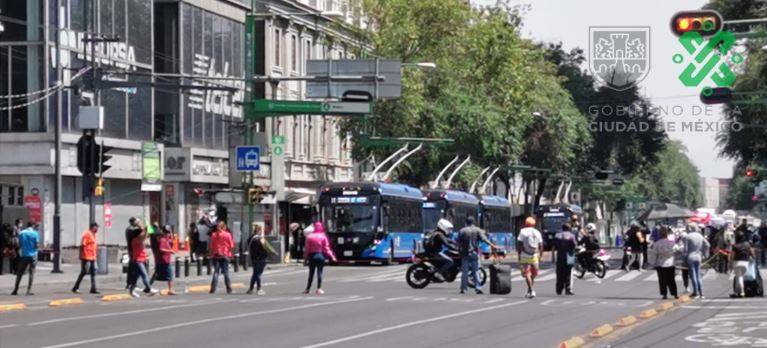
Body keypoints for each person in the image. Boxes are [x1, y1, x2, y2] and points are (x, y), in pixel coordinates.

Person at [457, 217, 495, 295]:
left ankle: (463, 289)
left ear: (466, 222)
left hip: (465, 254)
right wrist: (492, 245)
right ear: (473, 222)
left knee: (464, 272)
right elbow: (484, 239)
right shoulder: (477, 230)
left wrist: (459, 250)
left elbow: (458, 242)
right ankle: (478, 288)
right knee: (476, 271)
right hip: (474, 253)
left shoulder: (462, 231)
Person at [303, 221, 336, 294]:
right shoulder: (323, 236)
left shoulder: (309, 237)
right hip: (320, 255)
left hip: (312, 256)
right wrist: (332, 256)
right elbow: (326, 248)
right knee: (319, 272)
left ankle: (307, 289)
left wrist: (305, 258)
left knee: (311, 273)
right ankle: (319, 288)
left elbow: (307, 249)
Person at [648, 227, 678, 300]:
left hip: (660, 264)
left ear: (660, 235)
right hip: (671, 263)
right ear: (667, 234)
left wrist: (652, 263)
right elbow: (677, 250)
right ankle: (675, 294)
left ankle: (664, 294)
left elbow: (653, 254)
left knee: (662, 280)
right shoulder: (672, 243)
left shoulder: (657, 244)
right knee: (671, 279)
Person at [127, 228, 158, 297]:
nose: (142, 234)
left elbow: (144, 238)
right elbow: (143, 237)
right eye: (141, 233)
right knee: (144, 274)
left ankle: (131, 291)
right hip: (138, 261)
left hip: (142, 260)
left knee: (135, 278)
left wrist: (145, 231)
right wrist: (146, 231)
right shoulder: (135, 240)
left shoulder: (139, 240)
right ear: (138, 234)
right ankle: (149, 288)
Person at [517, 216, 543, 299]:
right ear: (534, 224)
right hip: (534, 255)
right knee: (533, 274)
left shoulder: (523, 231)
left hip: (525, 254)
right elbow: (541, 245)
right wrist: (541, 256)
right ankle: (530, 290)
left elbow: (519, 244)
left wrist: (519, 254)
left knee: (527, 273)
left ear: (526, 223)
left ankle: (531, 290)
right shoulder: (537, 232)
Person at [247, 224, 277, 295]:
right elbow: (267, 248)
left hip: (253, 258)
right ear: (259, 230)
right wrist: (273, 253)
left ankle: (251, 289)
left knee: (255, 273)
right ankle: (259, 288)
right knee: (258, 274)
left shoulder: (251, 238)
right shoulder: (261, 239)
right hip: (261, 258)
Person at [683, 222, 710, 298]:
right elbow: (708, 244)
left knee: (693, 275)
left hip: (690, 256)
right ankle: (701, 292)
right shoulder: (700, 236)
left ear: (690, 228)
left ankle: (695, 292)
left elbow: (685, 250)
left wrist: (684, 259)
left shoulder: (687, 237)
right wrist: (705, 254)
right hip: (699, 256)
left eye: (687, 228)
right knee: (698, 274)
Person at [72, 223, 100, 294]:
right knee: (84, 271)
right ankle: (76, 287)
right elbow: (82, 245)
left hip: (93, 257)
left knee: (94, 272)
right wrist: (81, 256)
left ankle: (93, 288)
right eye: (96, 227)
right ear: (93, 227)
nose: (97, 229)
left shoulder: (93, 235)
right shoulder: (87, 234)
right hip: (86, 257)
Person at [11, 222, 38, 295]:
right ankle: (28, 290)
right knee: (31, 273)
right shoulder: (35, 233)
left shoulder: (22, 233)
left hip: (24, 255)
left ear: (27, 225)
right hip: (33, 255)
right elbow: (36, 245)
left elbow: (19, 244)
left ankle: (15, 289)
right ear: (33, 226)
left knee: (19, 273)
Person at [209, 220, 235, 294]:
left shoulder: (213, 235)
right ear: (224, 227)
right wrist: (231, 255)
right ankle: (228, 288)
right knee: (226, 272)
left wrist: (212, 254)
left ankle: (213, 288)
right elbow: (231, 246)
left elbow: (211, 246)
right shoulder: (227, 235)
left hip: (216, 255)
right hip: (225, 255)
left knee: (216, 272)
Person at [554, 223, 577, 296]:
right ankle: (568, 289)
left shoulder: (557, 235)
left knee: (559, 273)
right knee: (568, 273)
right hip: (570, 256)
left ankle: (559, 289)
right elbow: (574, 245)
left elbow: (555, 245)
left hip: (560, 256)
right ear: (569, 229)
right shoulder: (572, 236)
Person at [730, 233, 754, 298]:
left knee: (739, 277)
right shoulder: (747, 244)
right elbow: (752, 252)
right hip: (746, 263)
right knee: (739, 277)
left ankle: (742, 292)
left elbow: (732, 256)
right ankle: (735, 292)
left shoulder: (735, 246)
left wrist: (730, 264)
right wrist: (753, 257)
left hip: (737, 262)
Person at [156, 225, 176, 295]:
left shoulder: (168, 240)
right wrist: (170, 251)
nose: (168, 234)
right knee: (170, 275)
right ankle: (170, 290)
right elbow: (161, 249)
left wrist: (171, 235)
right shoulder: (163, 240)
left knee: (162, 276)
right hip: (164, 260)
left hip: (166, 260)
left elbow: (172, 242)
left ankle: (149, 286)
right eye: (167, 232)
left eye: (169, 232)